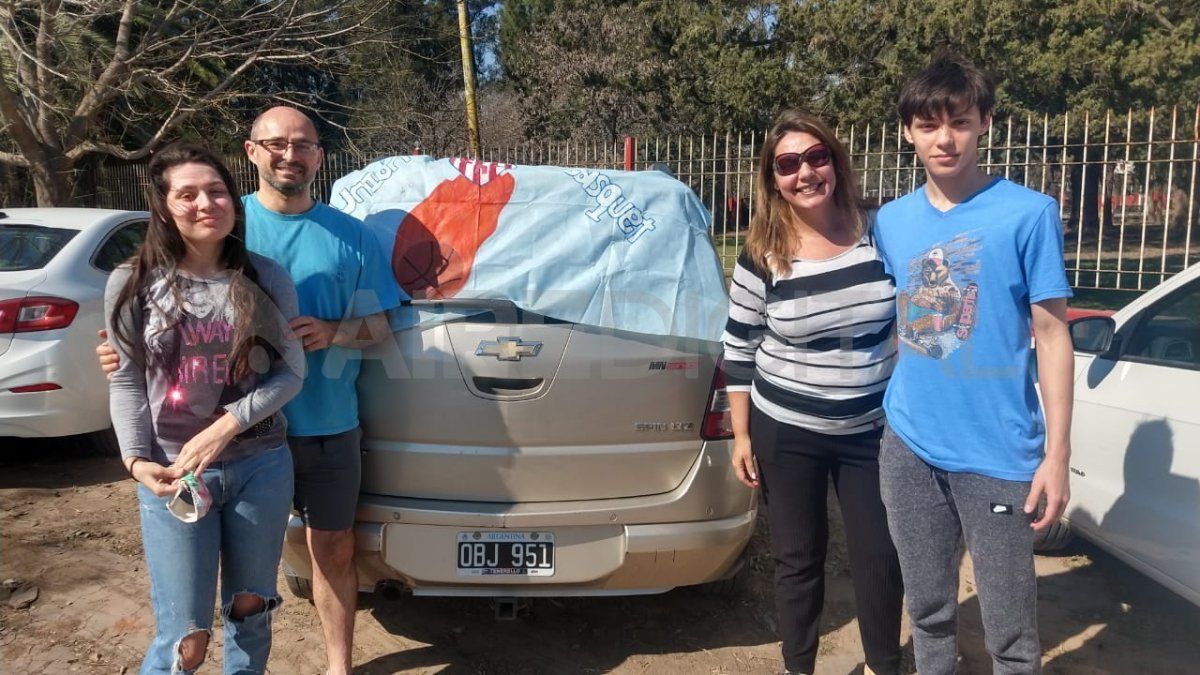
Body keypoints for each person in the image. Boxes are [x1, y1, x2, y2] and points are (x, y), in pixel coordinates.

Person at [100, 106, 401, 675]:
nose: (291, 154)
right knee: (192, 620)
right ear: (252, 151)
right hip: (204, 448)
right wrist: (122, 362)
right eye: (277, 143)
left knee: (320, 558)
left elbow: (385, 327)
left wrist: (337, 332)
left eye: (305, 144)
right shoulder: (223, 225)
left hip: (318, 426)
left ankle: (339, 667)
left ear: (319, 154)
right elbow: (140, 355)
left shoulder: (351, 238)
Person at [873, 58, 1074, 674]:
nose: (945, 139)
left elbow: (1051, 333)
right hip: (908, 444)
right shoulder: (890, 220)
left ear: (985, 121)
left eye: (960, 121)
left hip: (997, 453)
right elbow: (904, 323)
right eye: (929, 124)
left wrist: (1058, 455)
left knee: (1010, 632)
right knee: (929, 612)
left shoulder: (1027, 213)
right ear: (908, 131)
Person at [106, 143, 305, 673]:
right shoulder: (132, 284)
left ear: (233, 202)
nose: (205, 203)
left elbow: (292, 371)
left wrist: (228, 425)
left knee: (251, 608)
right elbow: (126, 381)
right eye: (187, 193)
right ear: (164, 206)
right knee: (185, 637)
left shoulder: (265, 277)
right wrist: (133, 460)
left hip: (261, 467)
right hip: (174, 476)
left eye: (216, 190)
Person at [724, 109, 904, 675]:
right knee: (798, 561)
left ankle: (882, 665)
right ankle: (798, 667)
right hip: (787, 430)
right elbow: (737, 346)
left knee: (880, 556)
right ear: (772, 178)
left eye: (816, 157)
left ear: (836, 160)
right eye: (788, 164)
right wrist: (741, 434)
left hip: (872, 432)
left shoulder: (881, 230)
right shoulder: (761, 251)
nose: (805, 172)